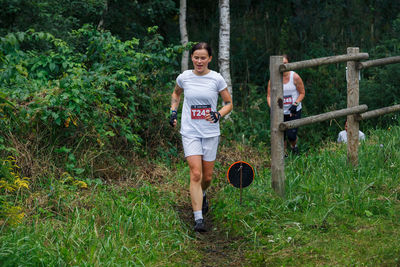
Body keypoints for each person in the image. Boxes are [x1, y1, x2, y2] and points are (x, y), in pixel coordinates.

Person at [169, 42, 233, 232]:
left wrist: (218, 114)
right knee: (195, 173)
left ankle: (203, 193)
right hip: (190, 132)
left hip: (210, 132)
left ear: (209, 59)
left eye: (203, 57)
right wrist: (173, 112)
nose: (199, 61)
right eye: (196, 57)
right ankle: (198, 219)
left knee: (207, 176)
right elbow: (176, 94)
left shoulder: (217, 79)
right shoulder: (184, 77)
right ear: (192, 58)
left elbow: (228, 103)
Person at [267, 54, 305, 155]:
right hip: (280, 112)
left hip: (294, 110)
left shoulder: (295, 77)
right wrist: (272, 108)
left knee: (291, 135)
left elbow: (302, 93)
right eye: (281, 63)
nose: (283, 65)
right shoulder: (273, 79)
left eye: (285, 63)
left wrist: (295, 104)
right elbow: (269, 96)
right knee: (281, 135)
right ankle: (283, 156)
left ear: (289, 64)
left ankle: (294, 147)